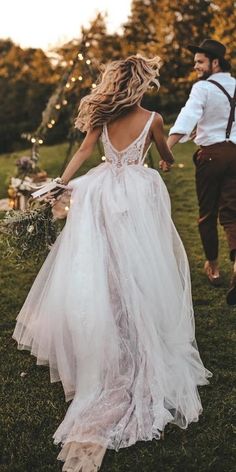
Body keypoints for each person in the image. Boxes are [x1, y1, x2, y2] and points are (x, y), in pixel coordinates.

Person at [12, 55, 211, 472]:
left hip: (101, 193)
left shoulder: (101, 118)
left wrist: (62, 184)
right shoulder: (155, 118)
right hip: (138, 196)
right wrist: (169, 162)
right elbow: (162, 159)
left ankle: (111, 316)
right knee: (141, 260)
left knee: (104, 260)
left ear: (115, 83)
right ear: (142, 84)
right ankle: (136, 325)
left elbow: (85, 151)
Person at [167, 39, 236, 305]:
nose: (195, 66)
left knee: (208, 212)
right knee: (232, 213)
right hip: (234, 154)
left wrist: (168, 148)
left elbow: (187, 116)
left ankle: (214, 267)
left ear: (215, 62)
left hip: (210, 156)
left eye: (200, 62)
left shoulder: (203, 87)